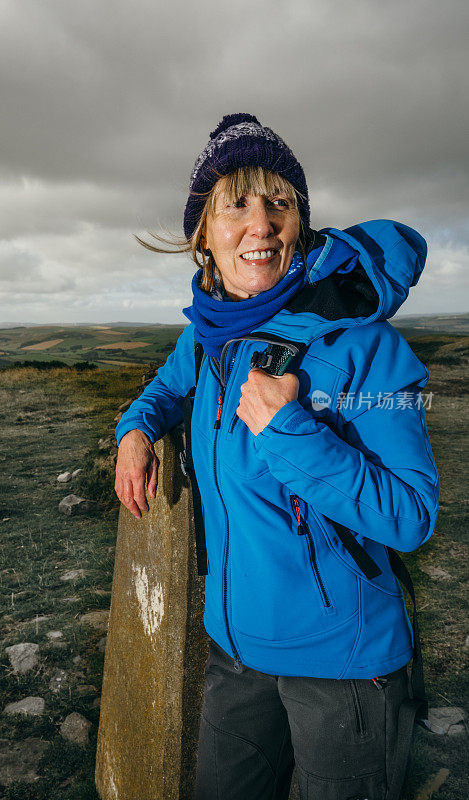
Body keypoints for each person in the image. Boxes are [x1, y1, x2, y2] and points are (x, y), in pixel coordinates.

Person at [114, 113, 440, 800]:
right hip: (235, 651)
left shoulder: (363, 348)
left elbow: (410, 516)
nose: (259, 224)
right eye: (235, 204)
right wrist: (135, 431)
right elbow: (166, 388)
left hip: (343, 670)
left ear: (300, 223)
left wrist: (289, 429)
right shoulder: (207, 337)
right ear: (202, 232)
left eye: (279, 202)